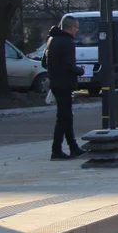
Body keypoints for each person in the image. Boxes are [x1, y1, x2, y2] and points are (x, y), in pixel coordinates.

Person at [43, 16, 84, 159]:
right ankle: (57, 149)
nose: (76, 31)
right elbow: (69, 66)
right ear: (71, 27)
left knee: (66, 116)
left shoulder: (51, 40)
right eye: (76, 28)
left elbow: (44, 62)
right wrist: (81, 70)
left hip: (55, 82)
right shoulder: (67, 42)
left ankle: (73, 147)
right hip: (64, 83)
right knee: (63, 117)